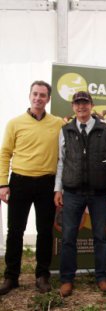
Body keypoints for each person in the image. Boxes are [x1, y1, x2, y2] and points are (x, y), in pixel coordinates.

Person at [0, 81, 64, 295]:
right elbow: (5, 153)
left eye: (43, 95)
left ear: (48, 99)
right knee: (15, 231)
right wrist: (3, 184)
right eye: (35, 94)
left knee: (45, 231)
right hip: (20, 182)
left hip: (46, 183)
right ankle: (11, 277)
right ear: (29, 96)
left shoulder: (57, 124)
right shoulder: (14, 123)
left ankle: (42, 275)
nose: (38, 98)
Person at [54, 91, 106, 297]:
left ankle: (102, 277)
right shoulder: (66, 130)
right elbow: (61, 161)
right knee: (68, 237)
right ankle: (67, 279)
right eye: (77, 104)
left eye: (85, 103)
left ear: (91, 105)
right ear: (73, 107)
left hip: (99, 193)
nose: (81, 107)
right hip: (72, 193)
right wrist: (58, 189)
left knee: (100, 236)